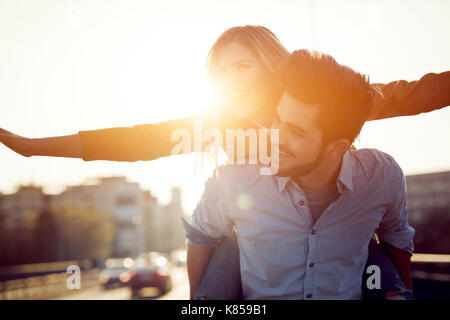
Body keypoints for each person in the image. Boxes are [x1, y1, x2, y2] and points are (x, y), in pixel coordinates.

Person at [0, 25, 448, 298]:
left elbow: (414, 92)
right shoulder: (217, 124)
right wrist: (33, 146)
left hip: (336, 221)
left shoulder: (319, 102)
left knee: (383, 268)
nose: (230, 79)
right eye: (222, 70)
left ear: (272, 66)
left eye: (242, 66)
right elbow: (137, 140)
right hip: (254, 238)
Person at [184, 49, 415, 300]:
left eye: (296, 132)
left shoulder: (381, 177)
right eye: (277, 120)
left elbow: (395, 236)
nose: (276, 137)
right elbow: (200, 234)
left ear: (337, 147)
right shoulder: (234, 179)